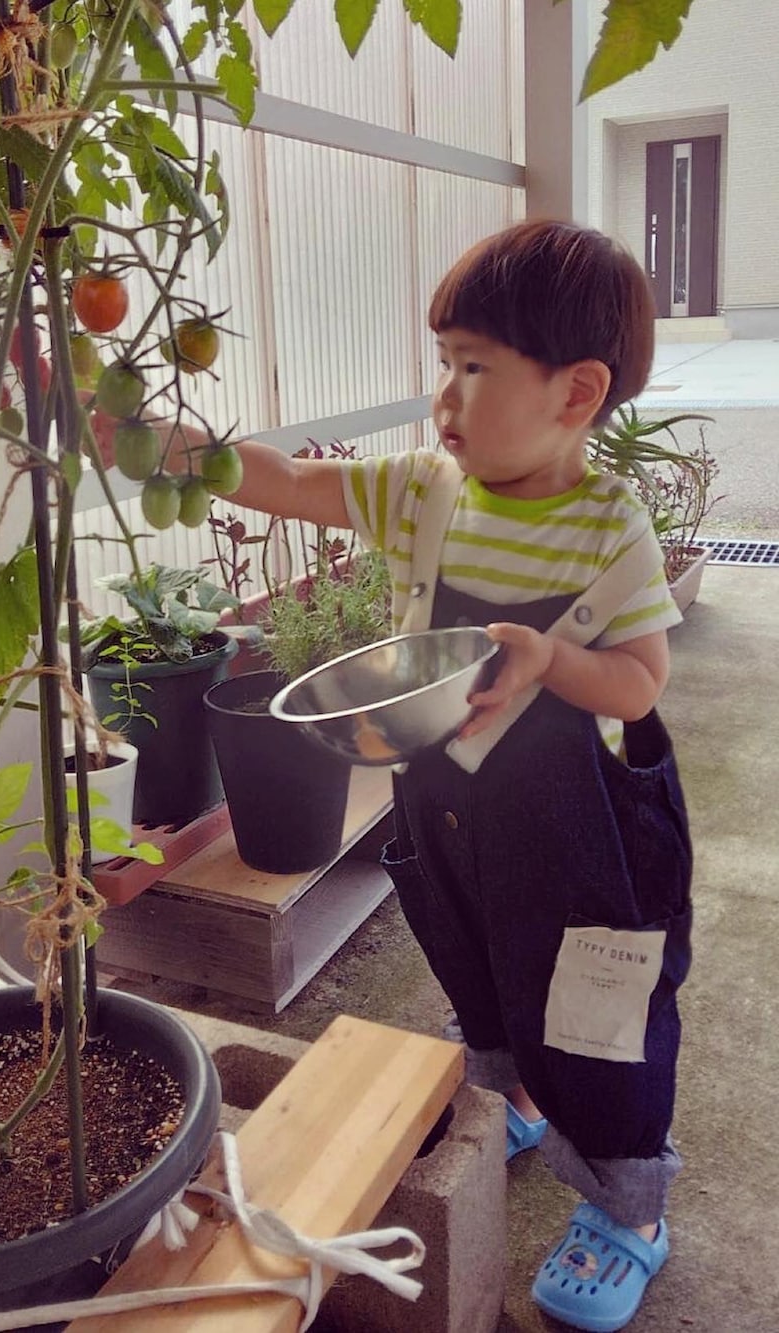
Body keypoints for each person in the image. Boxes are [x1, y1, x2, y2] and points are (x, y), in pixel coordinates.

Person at [112, 219, 693, 1332]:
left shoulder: (607, 530)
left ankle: (628, 1210)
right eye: (443, 363)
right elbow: (291, 480)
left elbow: (636, 685)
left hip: (578, 839)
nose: (444, 396)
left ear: (576, 392)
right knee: (474, 965)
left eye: (474, 367)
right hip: (450, 803)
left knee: (595, 1018)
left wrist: (551, 659)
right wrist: (183, 449)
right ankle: (508, 1092)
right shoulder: (428, 491)